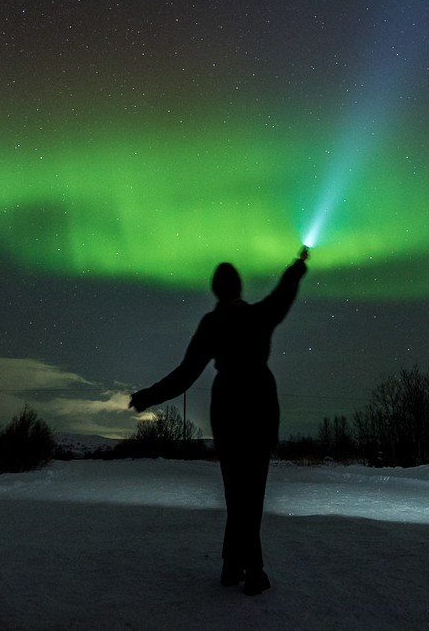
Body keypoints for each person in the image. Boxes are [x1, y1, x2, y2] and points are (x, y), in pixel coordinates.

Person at [129, 246, 309, 596]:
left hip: (228, 409)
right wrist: (298, 265)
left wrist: (149, 396)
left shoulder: (213, 324)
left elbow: (186, 374)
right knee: (250, 494)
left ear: (216, 290)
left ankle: (231, 564)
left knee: (236, 492)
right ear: (239, 287)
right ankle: (253, 569)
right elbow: (283, 294)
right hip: (257, 408)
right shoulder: (258, 316)